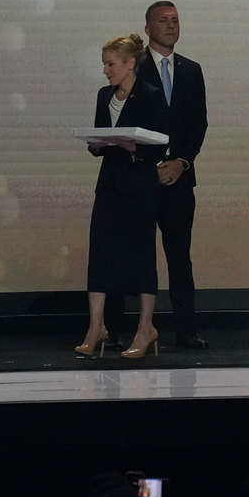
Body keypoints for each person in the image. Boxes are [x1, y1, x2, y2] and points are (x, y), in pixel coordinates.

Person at [77, 32, 168, 360]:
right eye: (104, 64)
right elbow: (101, 134)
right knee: (100, 253)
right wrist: (97, 145)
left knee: (141, 256)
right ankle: (96, 328)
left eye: (110, 64)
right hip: (110, 184)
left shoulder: (151, 95)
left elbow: (162, 141)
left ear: (130, 64)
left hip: (140, 185)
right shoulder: (104, 96)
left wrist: (134, 149)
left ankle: (145, 329)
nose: (106, 70)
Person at [134, 0, 210, 349]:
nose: (170, 25)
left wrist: (182, 162)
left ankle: (186, 329)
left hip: (179, 179)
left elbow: (198, 123)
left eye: (175, 20)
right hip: (141, 178)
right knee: (136, 256)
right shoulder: (134, 66)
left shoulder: (191, 70)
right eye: (163, 20)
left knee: (180, 257)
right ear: (148, 28)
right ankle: (131, 329)